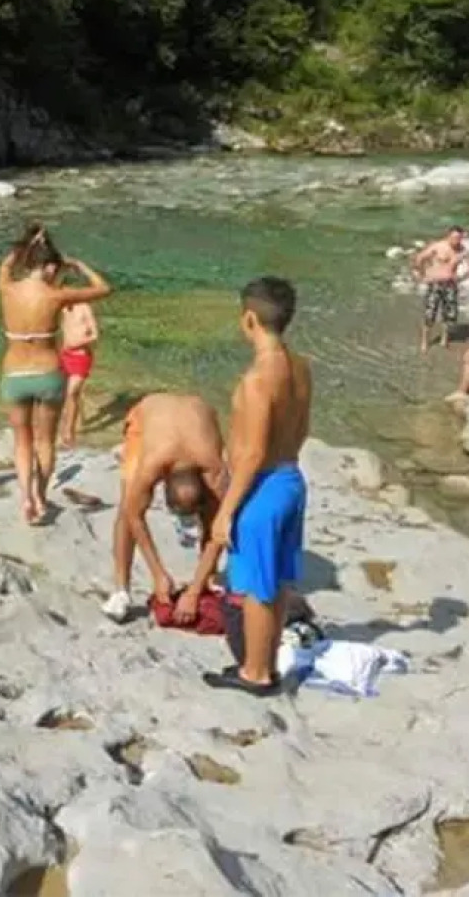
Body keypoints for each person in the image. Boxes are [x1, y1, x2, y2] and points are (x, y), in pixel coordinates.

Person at [181, 277, 312, 698]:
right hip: (291, 478)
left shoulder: (257, 380)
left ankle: (255, 673)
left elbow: (252, 453)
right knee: (275, 583)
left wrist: (225, 510)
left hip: (262, 487)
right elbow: (302, 427)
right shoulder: (300, 367)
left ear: (249, 319)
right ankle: (264, 663)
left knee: (255, 587)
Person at [0, 223, 113, 524]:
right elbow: (104, 288)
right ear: (49, 266)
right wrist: (80, 265)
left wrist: (24, 246)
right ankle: (42, 496)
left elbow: (6, 265)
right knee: (45, 441)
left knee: (22, 440)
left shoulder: (7, 288)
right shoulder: (56, 296)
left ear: (27, 262)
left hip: (14, 374)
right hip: (48, 373)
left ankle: (26, 498)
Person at [101, 393, 228, 623]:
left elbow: (220, 527)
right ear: (163, 481)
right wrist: (158, 573)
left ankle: (208, 576)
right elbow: (134, 514)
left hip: (200, 418)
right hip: (147, 417)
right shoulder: (153, 464)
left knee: (215, 513)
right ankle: (121, 590)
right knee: (126, 505)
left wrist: (195, 589)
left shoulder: (214, 468)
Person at [411, 225, 469, 352]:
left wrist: (460, 278)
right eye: (454, 238)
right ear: (448, 236)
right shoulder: (438, 246)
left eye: (459, 238)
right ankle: (425, 342)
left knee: (449, 315)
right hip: (435, 283)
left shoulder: (462, 251)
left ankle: (444, 339)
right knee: (430, 313)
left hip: (451, 285)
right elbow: (419, 258)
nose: (456, 241)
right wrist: (422, 275)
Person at [57, 296, 100, 448]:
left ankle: (69, 432)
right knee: (64, 394)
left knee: (71, 392)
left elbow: (95, 335)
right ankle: (69, 423)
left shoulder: (84, 307)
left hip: (81, 356)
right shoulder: (61, 308)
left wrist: (75, 344)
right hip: (64, 355)